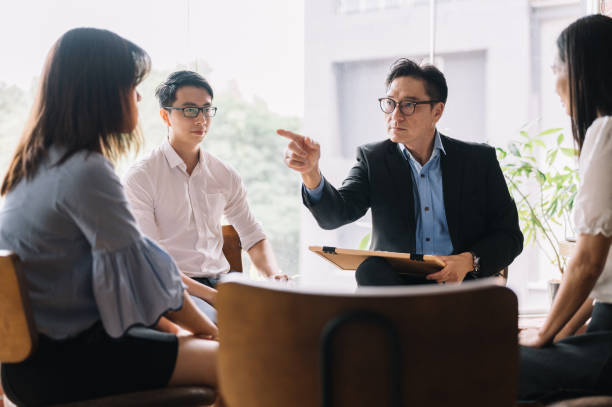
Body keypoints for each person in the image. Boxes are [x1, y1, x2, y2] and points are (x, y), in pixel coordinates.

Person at [0, 28, 220, 406]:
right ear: (101, 92)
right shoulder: (85, 170)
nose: (137, 97)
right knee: (242, 361)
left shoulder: (35, 167)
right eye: (131, 86)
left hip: (26, 367)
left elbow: (136, 273)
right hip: (68, 364)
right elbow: (144, 277)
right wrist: (210, 332)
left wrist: (180, 333)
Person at [279, 58, 523, 286]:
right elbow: (335, 215)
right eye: (390, 104)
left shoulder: (478, 161)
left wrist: (467, 261)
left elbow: (510, 236)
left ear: (437, 112)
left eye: (408, 105)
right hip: (398, 286)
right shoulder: (373, 159)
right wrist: (310, 172)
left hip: (461, 280)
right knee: (370, 270)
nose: (395, 116)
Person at [123, 71, 286, 321]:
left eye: (206, 109)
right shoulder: (141, 176)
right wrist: (212, 296)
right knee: (229, 327)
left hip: (224, 283)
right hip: (174, 288)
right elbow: (152, 263)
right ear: (165, 116)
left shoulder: (224, 174)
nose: (201, 119)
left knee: (290, 317)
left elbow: (253, 236)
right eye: (189, 110)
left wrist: (273, 275)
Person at [519, 14, 612, 402]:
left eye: (558, 66)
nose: (555, 81)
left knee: (483, 365)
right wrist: (553, 331)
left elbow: (589, 262)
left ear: (583, 69)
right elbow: (601, 284)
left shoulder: (606, 131)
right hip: (603, 333)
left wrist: (543, 335)